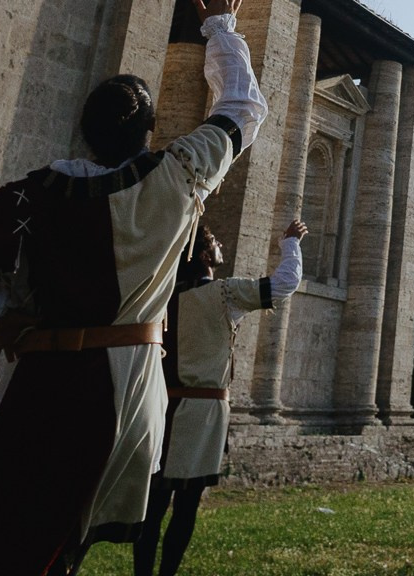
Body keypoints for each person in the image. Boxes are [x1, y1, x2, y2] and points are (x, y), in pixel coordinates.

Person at [0, 0, 267, 576]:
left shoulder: (33, 194)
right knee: (58, 542)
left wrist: (2, 311)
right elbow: (243, 108)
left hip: (45, 378)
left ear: (85, 129)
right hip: (127, 392)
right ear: (150, 129)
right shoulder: (179, 174)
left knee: (7, 538)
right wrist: (222, 29)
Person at [136, 218, 305, 576]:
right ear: (204, 254)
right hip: (202, 413)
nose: (222, 248)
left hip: (161, 405)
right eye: (216, 244)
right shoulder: (225, 293)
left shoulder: (163, 296)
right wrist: (290, 244)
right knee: (185, 506)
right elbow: (284, 284)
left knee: (153, 506)